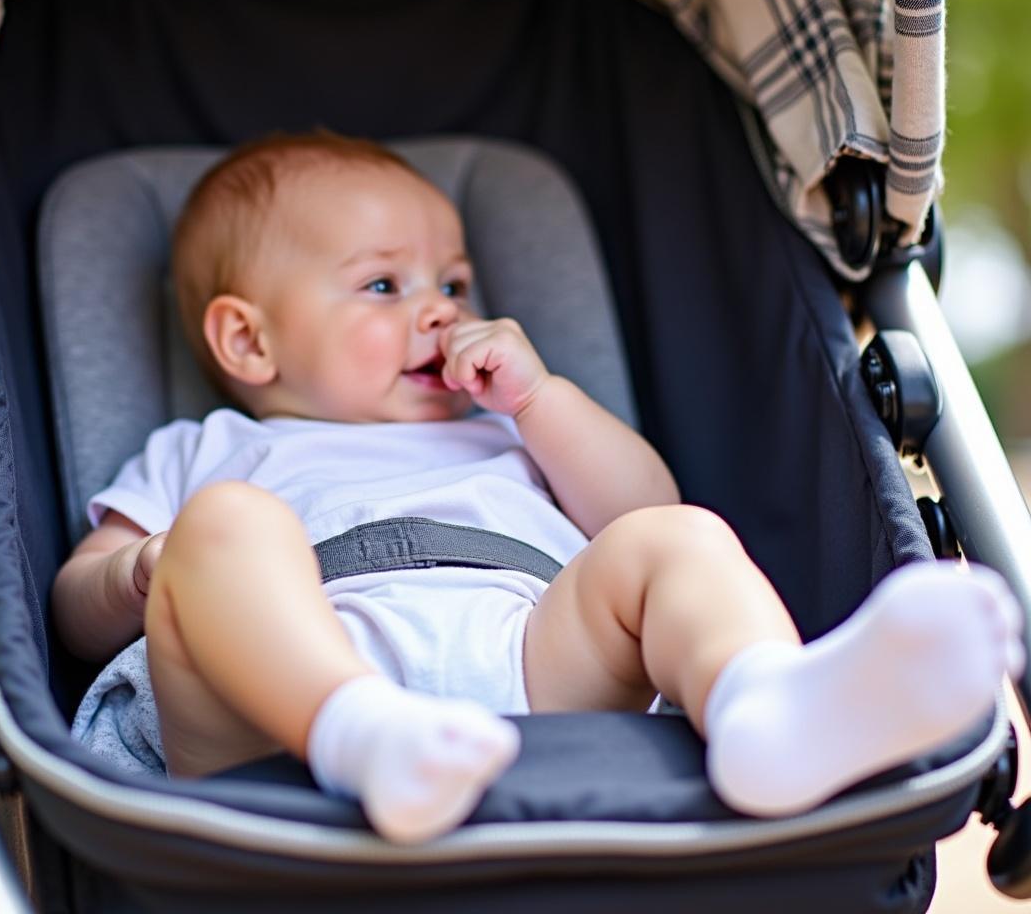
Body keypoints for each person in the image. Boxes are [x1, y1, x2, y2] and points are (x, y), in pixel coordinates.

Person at [51, 131, 1024, 844]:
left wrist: (538, 400)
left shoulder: (505, 429)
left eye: (456, 282)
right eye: (383, 287)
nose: (438, 310)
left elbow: (640, 511)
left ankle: (761, 708)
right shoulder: (204, 449)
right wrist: (145, 570)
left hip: (521, 650)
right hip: (284, 690)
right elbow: (75, 611)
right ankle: (362, 734)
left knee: (673, 541)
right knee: (224, 528)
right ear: (247, 341)